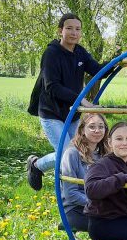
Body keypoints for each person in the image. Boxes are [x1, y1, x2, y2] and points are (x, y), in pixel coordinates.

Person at [27, 13, 107, 191]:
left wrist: (119, 60)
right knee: (66, 154)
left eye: (77, 29)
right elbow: (51, 86)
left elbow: (98, 70)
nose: (74, 33)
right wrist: (81, 100)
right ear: (60, 30)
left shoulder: (80, 52)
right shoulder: (51, 53)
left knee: (80, 150)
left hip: (72, 114)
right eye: (69, 28)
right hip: (51, 112)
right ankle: (37, 165)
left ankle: (78, 190)